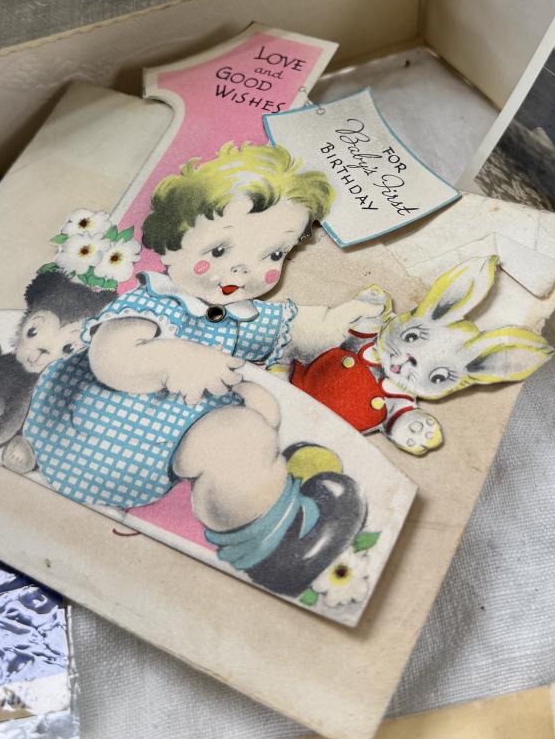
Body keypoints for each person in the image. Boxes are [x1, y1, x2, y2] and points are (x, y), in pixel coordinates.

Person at [22, 143, 382, 598]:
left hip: (157, 461)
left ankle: (281, 539)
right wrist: (174, 358)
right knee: (245, 430)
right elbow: (111, 359)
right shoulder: (154, 302)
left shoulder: (239, 315)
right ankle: (267, 541)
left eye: (273, 255)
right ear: (172, 244)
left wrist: (339, 320)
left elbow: (295, 328)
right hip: (82, 440)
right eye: (221, 248)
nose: (244, 269)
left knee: (255, 419)